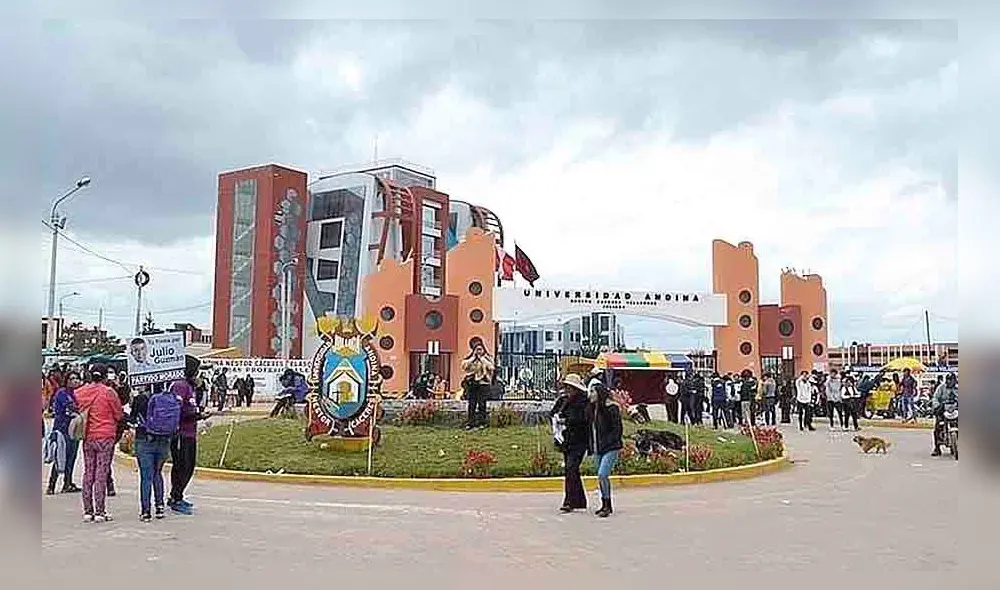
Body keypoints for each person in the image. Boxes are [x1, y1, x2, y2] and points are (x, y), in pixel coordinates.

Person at [74, 364, 124, 523]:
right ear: (104, 376)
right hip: (105, 436)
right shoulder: (109, 393)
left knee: (88, 473)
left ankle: (88, 511)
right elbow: (119, 414)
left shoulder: (80, 392)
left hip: (88, 437)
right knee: (101, 474)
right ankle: (100, 512)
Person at [130, 382, 179, 521]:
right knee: (158, 473)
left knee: (146, 476)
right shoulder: (170, 398)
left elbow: (133, 417)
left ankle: (146, 511)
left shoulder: (140, 398)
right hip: (164, 440)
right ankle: (159, 507)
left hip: (144, 439)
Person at [169, 356, 212, 515]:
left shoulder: (189, 386)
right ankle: (176, 498)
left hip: (190, 433)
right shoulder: (180, 386)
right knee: (183, 466)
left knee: (188, 466)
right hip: (181, 433)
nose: (198, 373)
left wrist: (199, 414)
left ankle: (177, 495)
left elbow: (191, 407)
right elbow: (178, 411)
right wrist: (199, 416)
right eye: (197, 370)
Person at [550, 374, 590, 513]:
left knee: (571, 468)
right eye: (566, 387)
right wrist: (557, 419)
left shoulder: (583, 402)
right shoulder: (563, 400)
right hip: (566, 440)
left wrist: (566, 420)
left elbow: (583, 420)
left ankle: (569, 501)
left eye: (570, 387)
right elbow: (553, 413)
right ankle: (579, 500)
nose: (567, 390)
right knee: (571, 469)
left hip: (580, 441)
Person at [587, 381, 623, 518]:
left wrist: (608, 442)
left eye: (593, 392)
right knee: (601, 477)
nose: (590, 395)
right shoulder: (593, 409)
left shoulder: (611, 408)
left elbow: (617, 430)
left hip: (610, 447)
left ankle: (607, 505)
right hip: (598, 448)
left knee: (603, 474)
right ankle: (605, 503)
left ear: (599, 393)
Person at [46, 371, 82, 495]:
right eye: (71, 378)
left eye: (77, 378)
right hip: (62, 430)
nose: (75, 381)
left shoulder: (77, 393)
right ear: (66, 380)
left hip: (74, 430)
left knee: (71, 458)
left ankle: (68, 483)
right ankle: (51, 485)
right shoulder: (62, 393)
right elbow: (72, 407)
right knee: (60, 457)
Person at [460, 343, 494, 430]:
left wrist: (482, 359)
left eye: (480, 349)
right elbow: (464, 366)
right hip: (472, 384)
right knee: (472, 404)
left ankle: (482, 422)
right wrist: (473, 358)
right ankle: (471, 423)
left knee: (482, 404)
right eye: (477, 349)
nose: (479, 351)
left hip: (483, 384)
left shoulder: (487, 358)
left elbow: (491, 367)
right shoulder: (470, 359)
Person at [930, 373, 958, 457]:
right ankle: (937, 448)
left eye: (952, 380)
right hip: (943, 409)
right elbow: (935, 398)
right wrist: (936, 405)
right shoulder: (941, 388)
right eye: (949, 380)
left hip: (956, 409)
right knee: (937, 427)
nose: (950, 382)